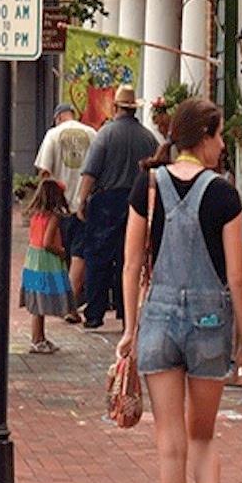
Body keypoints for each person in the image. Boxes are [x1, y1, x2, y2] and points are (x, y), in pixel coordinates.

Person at [117, 99, 242, 483]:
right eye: (220, 137)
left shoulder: (147, 185)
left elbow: (131, 264)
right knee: (203, 437)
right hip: (209, 318)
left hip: (157, 319)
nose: (223, 146)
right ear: (203, 137)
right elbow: (237, 277)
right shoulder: (224, 194)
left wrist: (131, 329)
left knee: (169, 447)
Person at [75, 86, 157, 329]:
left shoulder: (106, 134)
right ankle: (126, 311)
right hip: (137, 201)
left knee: (98, 257)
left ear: (115, 107)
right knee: (129, 258)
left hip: (106, 201)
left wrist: (82, 200)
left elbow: (91, 172)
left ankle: (95, 313)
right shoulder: (148, 138)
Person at [35, 102, 96, 309]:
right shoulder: (92, 134)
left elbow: (44, 172)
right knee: (79, 254)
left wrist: (43, 204)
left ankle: (67, 304)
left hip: (59, 207)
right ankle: (72, 301)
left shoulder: (53, 135)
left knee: (62, 253)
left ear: (58, 117)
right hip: (84, 205)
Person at [18, 177, 74, 353]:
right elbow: (48, 242)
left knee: (37, 302)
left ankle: (40, 337)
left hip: (33, 260)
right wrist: (62, 251)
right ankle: (37, 340)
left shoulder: (35, 214)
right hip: (47, 262)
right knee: (41, 302)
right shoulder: (54, 217)